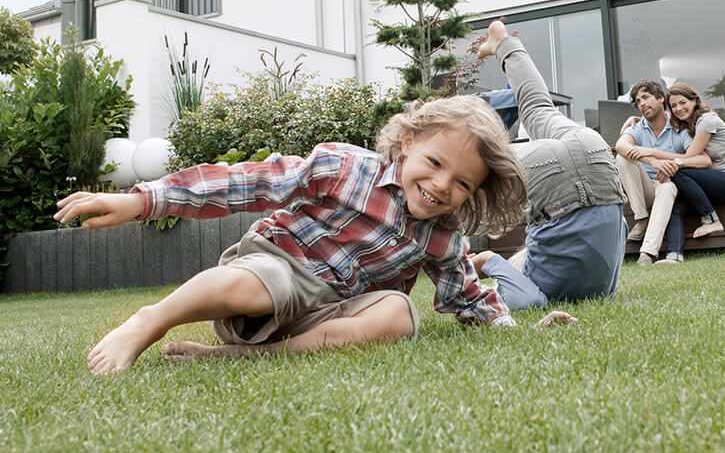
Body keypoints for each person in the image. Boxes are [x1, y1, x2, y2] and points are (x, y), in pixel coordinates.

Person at [54, 96, 536, 376]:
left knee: (400, 314)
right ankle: (150, 321)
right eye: (434, 164)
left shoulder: (444, 239)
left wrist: (512, 329)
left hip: (326, 317)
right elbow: (248, 182)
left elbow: (468, 299)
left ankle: (242, 358)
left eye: (462, 184)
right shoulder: (345, 167)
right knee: (262, 282)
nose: (440, 187)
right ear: (408, 143)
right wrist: (142, 200)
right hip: (278, 269)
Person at [469, 19, 627, 309]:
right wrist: (486, 263)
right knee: (472, 172)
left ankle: (504, 43)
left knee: (538, 108)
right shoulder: (537, 284)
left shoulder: (603, 289)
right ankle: (503, 42)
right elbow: (522, 290)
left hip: (597, 159)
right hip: (555, 187)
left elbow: (622, 228)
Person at [659, 83, 725, 261]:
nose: (678, 108)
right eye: (673, 106)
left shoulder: (707, 120)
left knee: (678, 170)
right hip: (708, 187)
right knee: (674, 208)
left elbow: (689, 157)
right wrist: (635, 120)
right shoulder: (691, 126)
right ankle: (673, 255)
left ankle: (711, 220)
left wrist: (654, 155)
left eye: (682, 102)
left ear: (694, 100)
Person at [613, 79, 695, 265]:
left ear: (660, 99)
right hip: (645, 188)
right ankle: (641, 218)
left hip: (669, 186)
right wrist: (652, 161)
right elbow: (620, 145)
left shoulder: (678, 127)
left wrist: (673, 164)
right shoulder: (638, 127)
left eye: (646, 97)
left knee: (667, 188)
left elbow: (695, 158)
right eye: (638, 101)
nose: (642, 104)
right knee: (622, 158)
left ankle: (648, 253)